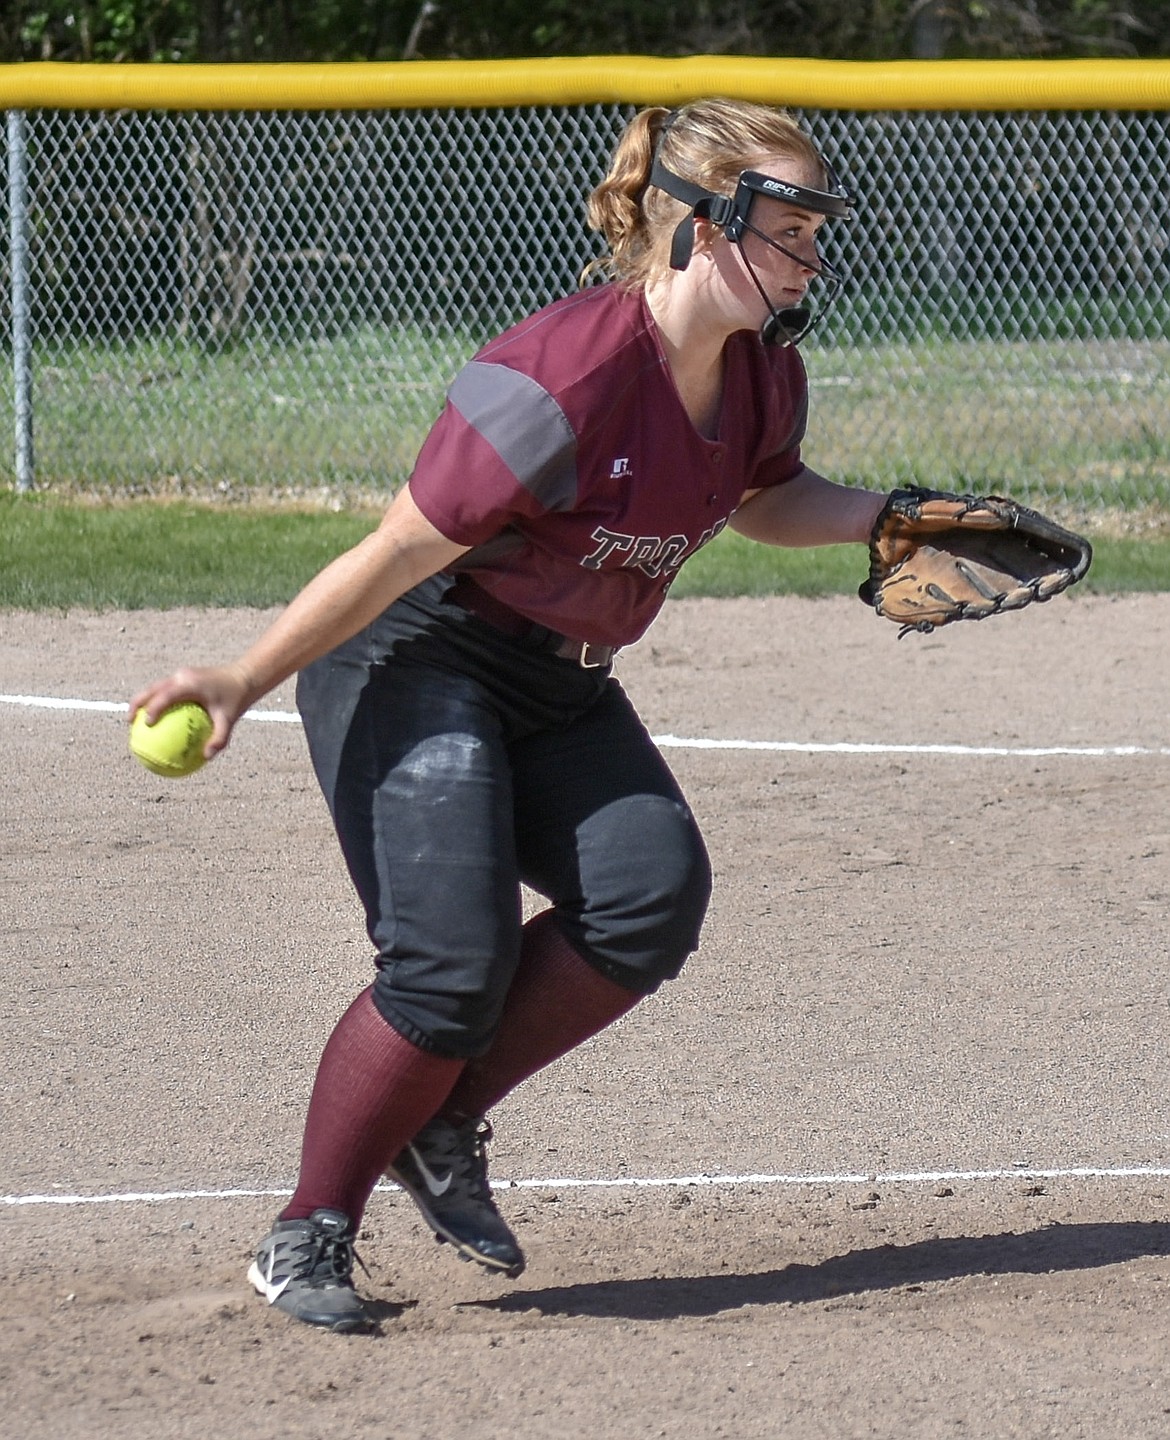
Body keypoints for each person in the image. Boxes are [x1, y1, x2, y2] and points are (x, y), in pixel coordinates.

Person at [131, 96, 889, 1334]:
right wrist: (243, 678)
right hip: (423, 654)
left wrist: (892, 516)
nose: (811, 251)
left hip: (561, 677)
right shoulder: (564, 375)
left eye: (816, 226)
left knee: (648, 895)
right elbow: (392, 554)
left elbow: (765, 497)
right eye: (788, 224)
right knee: (446, 966)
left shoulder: (764, 373)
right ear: (700, 224)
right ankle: (307, 1230)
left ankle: (434, 1115)